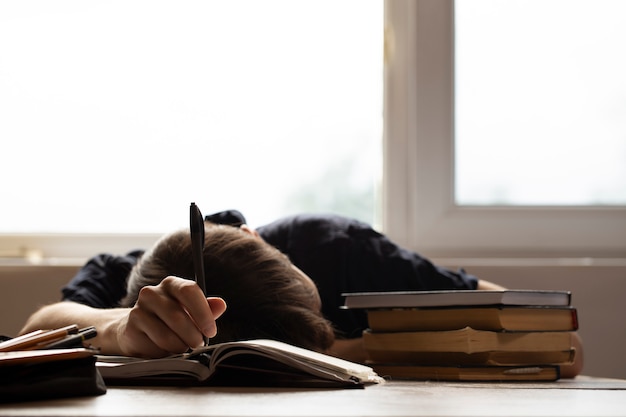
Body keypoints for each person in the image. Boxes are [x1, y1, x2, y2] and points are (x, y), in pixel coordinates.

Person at [20, 211, 581, 376]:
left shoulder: (335, 248)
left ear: (259, 238)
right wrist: (120, 328)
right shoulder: (129, 282)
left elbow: (560, 345)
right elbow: (36, 328)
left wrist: (346, 353)